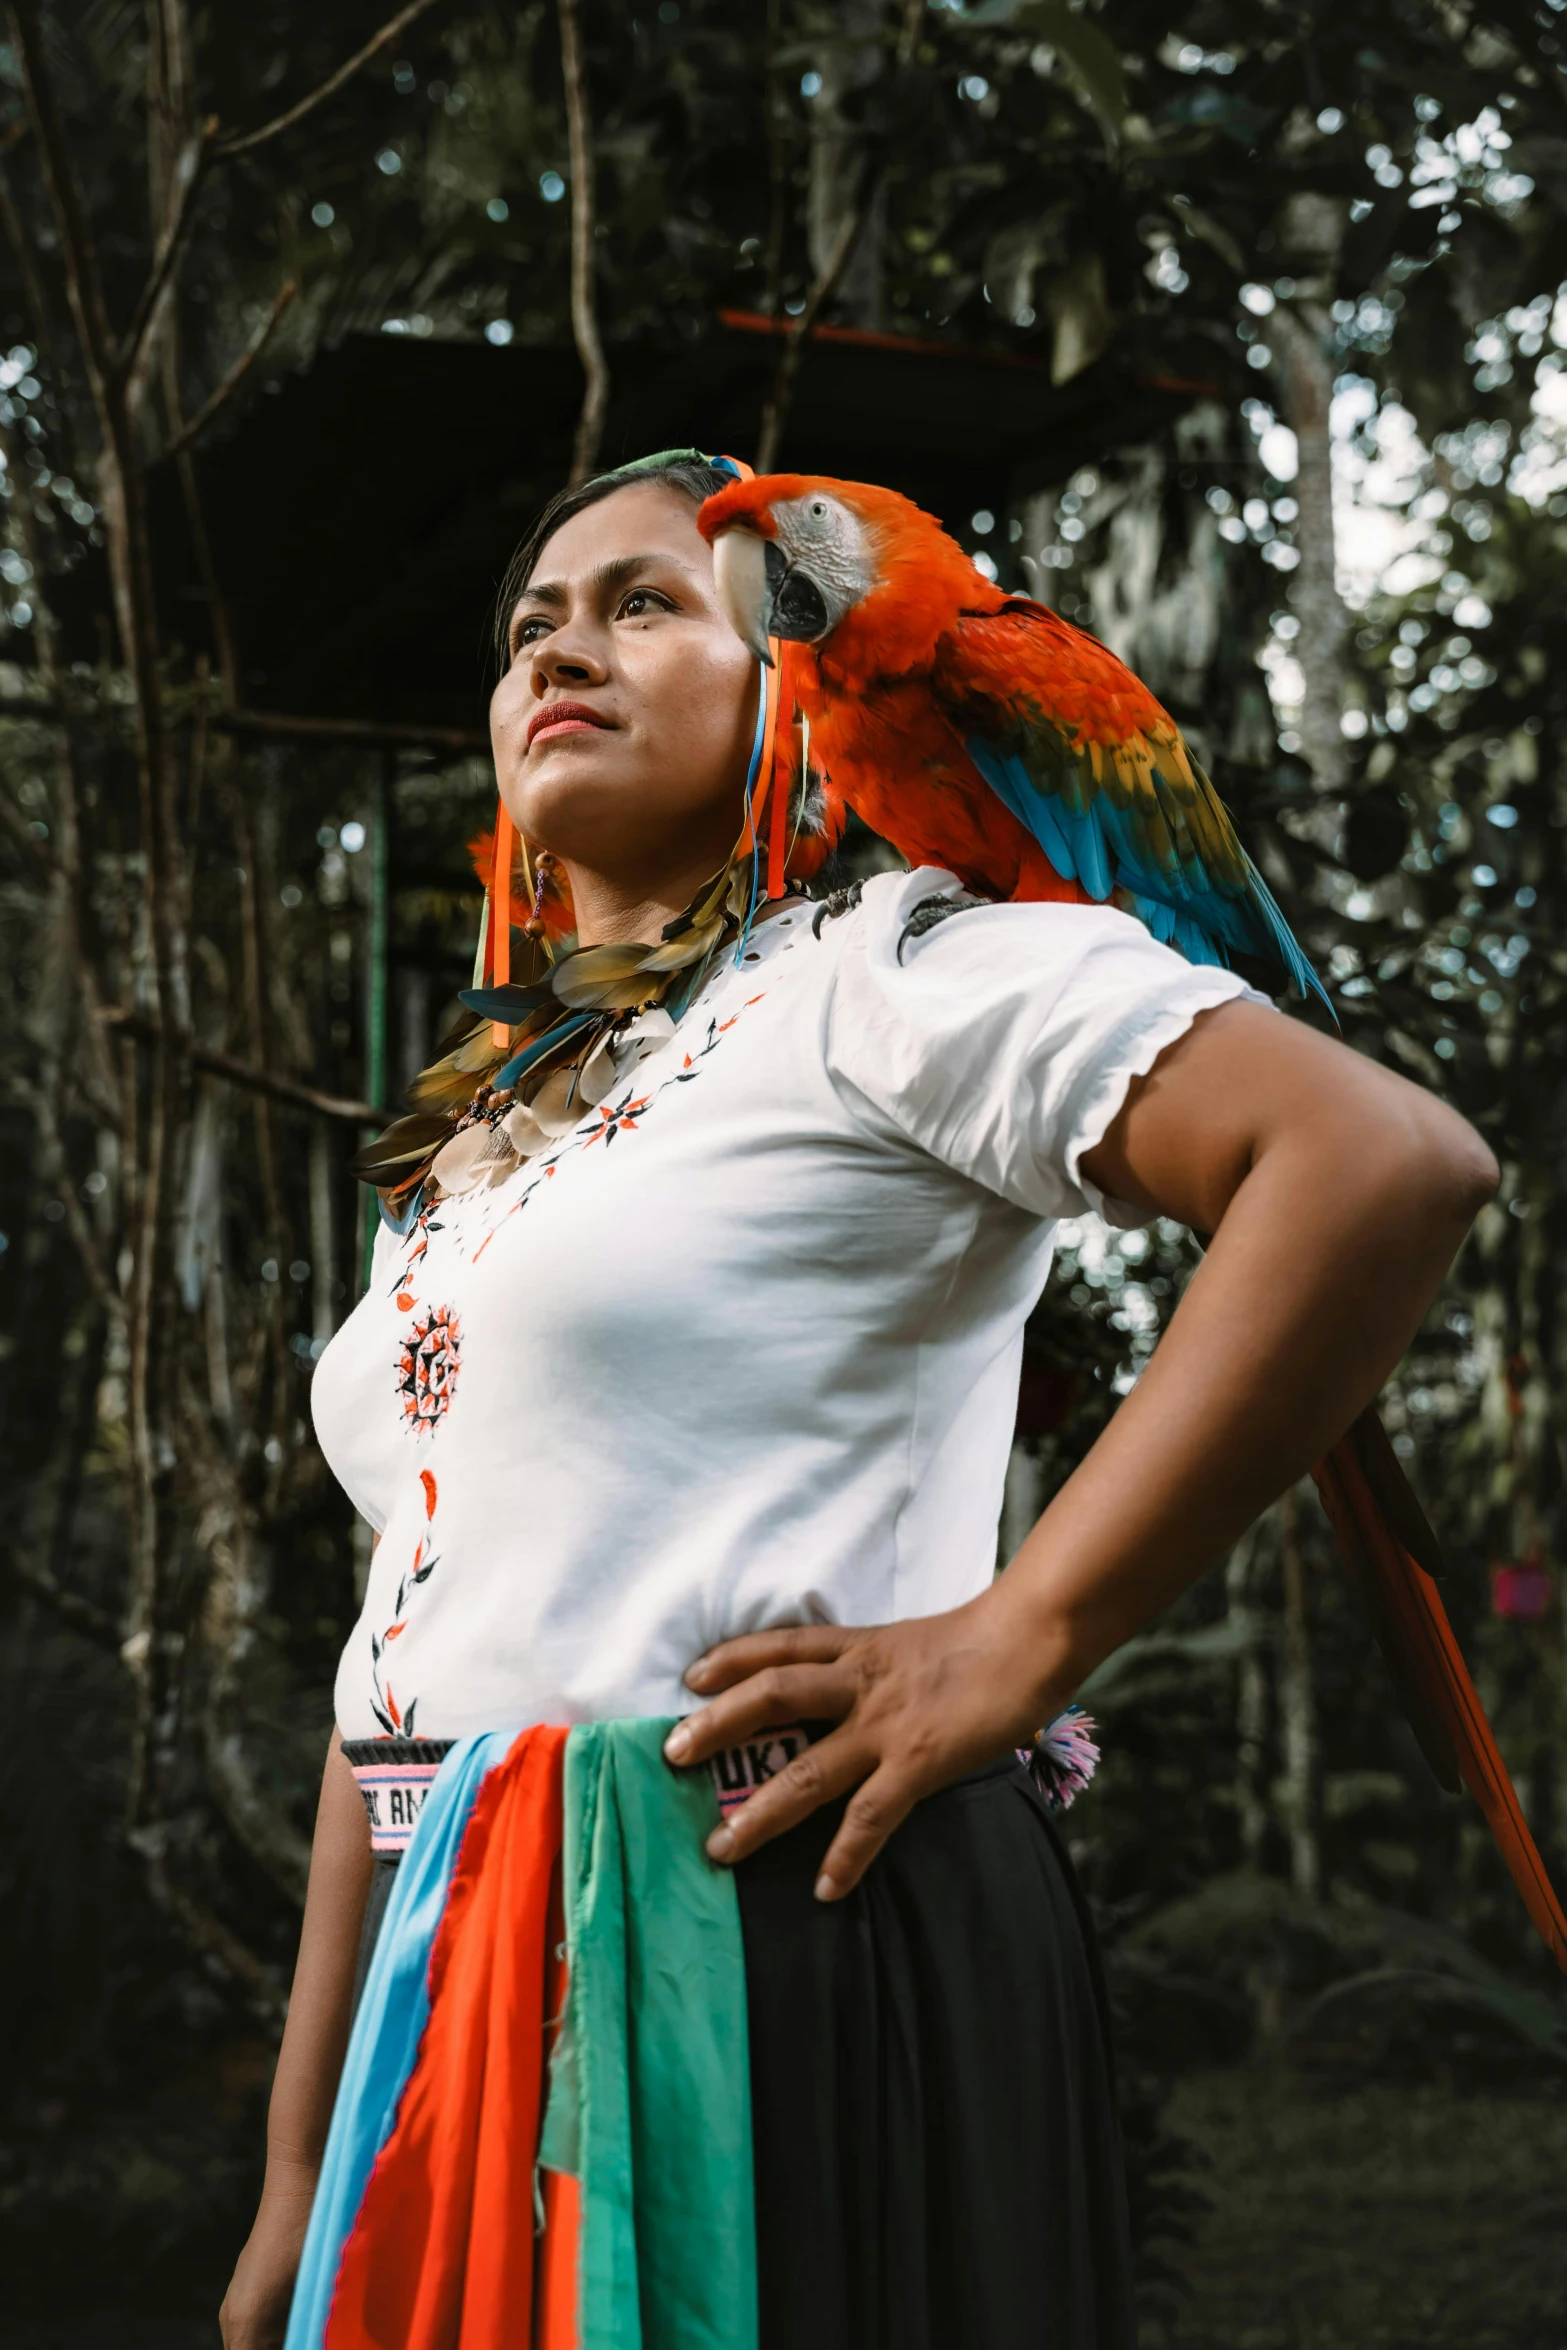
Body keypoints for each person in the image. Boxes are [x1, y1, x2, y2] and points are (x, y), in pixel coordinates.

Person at [219, 452, 1496, 2350]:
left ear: (785, 689)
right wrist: (297, 2179)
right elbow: (403, 1643)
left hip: (771, 1929)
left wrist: (1019, 1634)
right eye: (528, 628)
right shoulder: (475, 1144)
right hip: (446, 1985)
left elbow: (1378, 1159)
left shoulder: (885, 967)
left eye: (645, 602)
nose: (565, 644)